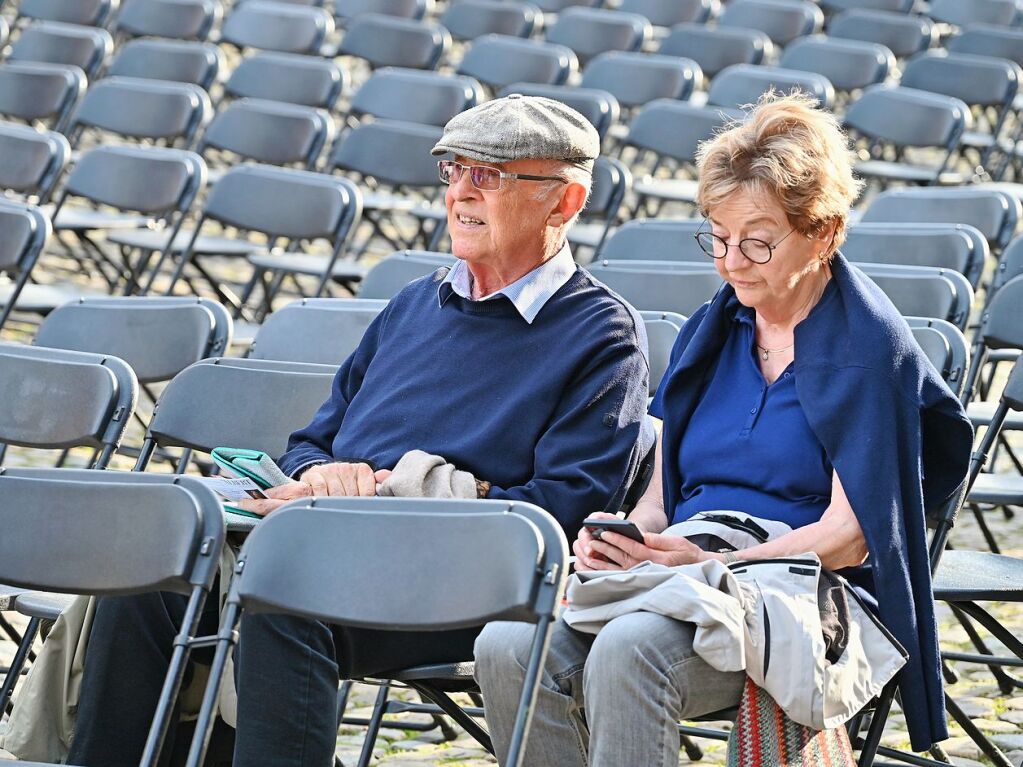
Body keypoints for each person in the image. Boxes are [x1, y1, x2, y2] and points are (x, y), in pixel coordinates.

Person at [63, 96, 652, 767]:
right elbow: (311, 441)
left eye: (489, 176)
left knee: (283, 605)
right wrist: (318, 476)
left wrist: (381, 488)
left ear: (564, 201)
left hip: (465, 577)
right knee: (152, 588)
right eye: (454, 170)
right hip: (329, 546)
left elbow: (561, 511)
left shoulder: (602, 333)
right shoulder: (413, 303)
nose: (460, 192)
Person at [475, 92, 974, 766]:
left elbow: (846, 538)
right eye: (718, 236)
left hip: (801, 589)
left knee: (628, 649)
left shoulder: (866, 349)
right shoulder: (713, 329)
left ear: (822, 233)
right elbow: (658, 494)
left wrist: (711, 565)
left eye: (758, 241)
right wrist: (633, 541)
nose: (731, 260)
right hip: (690, 565)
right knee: (505, 645)